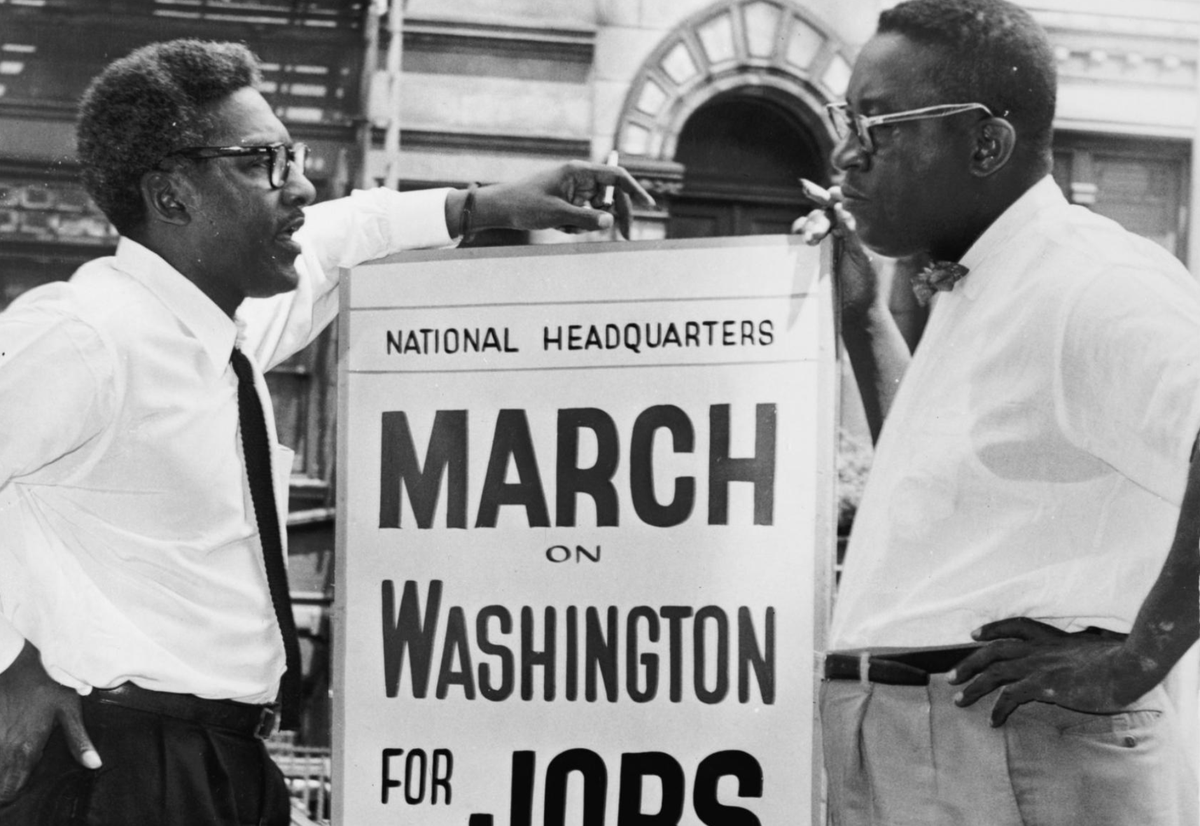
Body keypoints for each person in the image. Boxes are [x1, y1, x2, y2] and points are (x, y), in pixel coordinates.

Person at [0, 38, 653, 824]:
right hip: (117, 766)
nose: (301, 185)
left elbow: (345, 235)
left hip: (227, 763)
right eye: (263, 162)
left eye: (293, 155)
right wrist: (15, 663)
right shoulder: (83, 334)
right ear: (172, 196)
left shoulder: (220, 335)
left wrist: (482, 206)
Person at [797, 1, 1200, 824]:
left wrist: (1135, 657)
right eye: (848, 120)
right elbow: (941, 491)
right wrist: (864, 318)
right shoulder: (976, 281)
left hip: (1012, 749)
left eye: (878, 126)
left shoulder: (1093, 282)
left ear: (986, 143)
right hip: (923, 746)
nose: (847, 153)